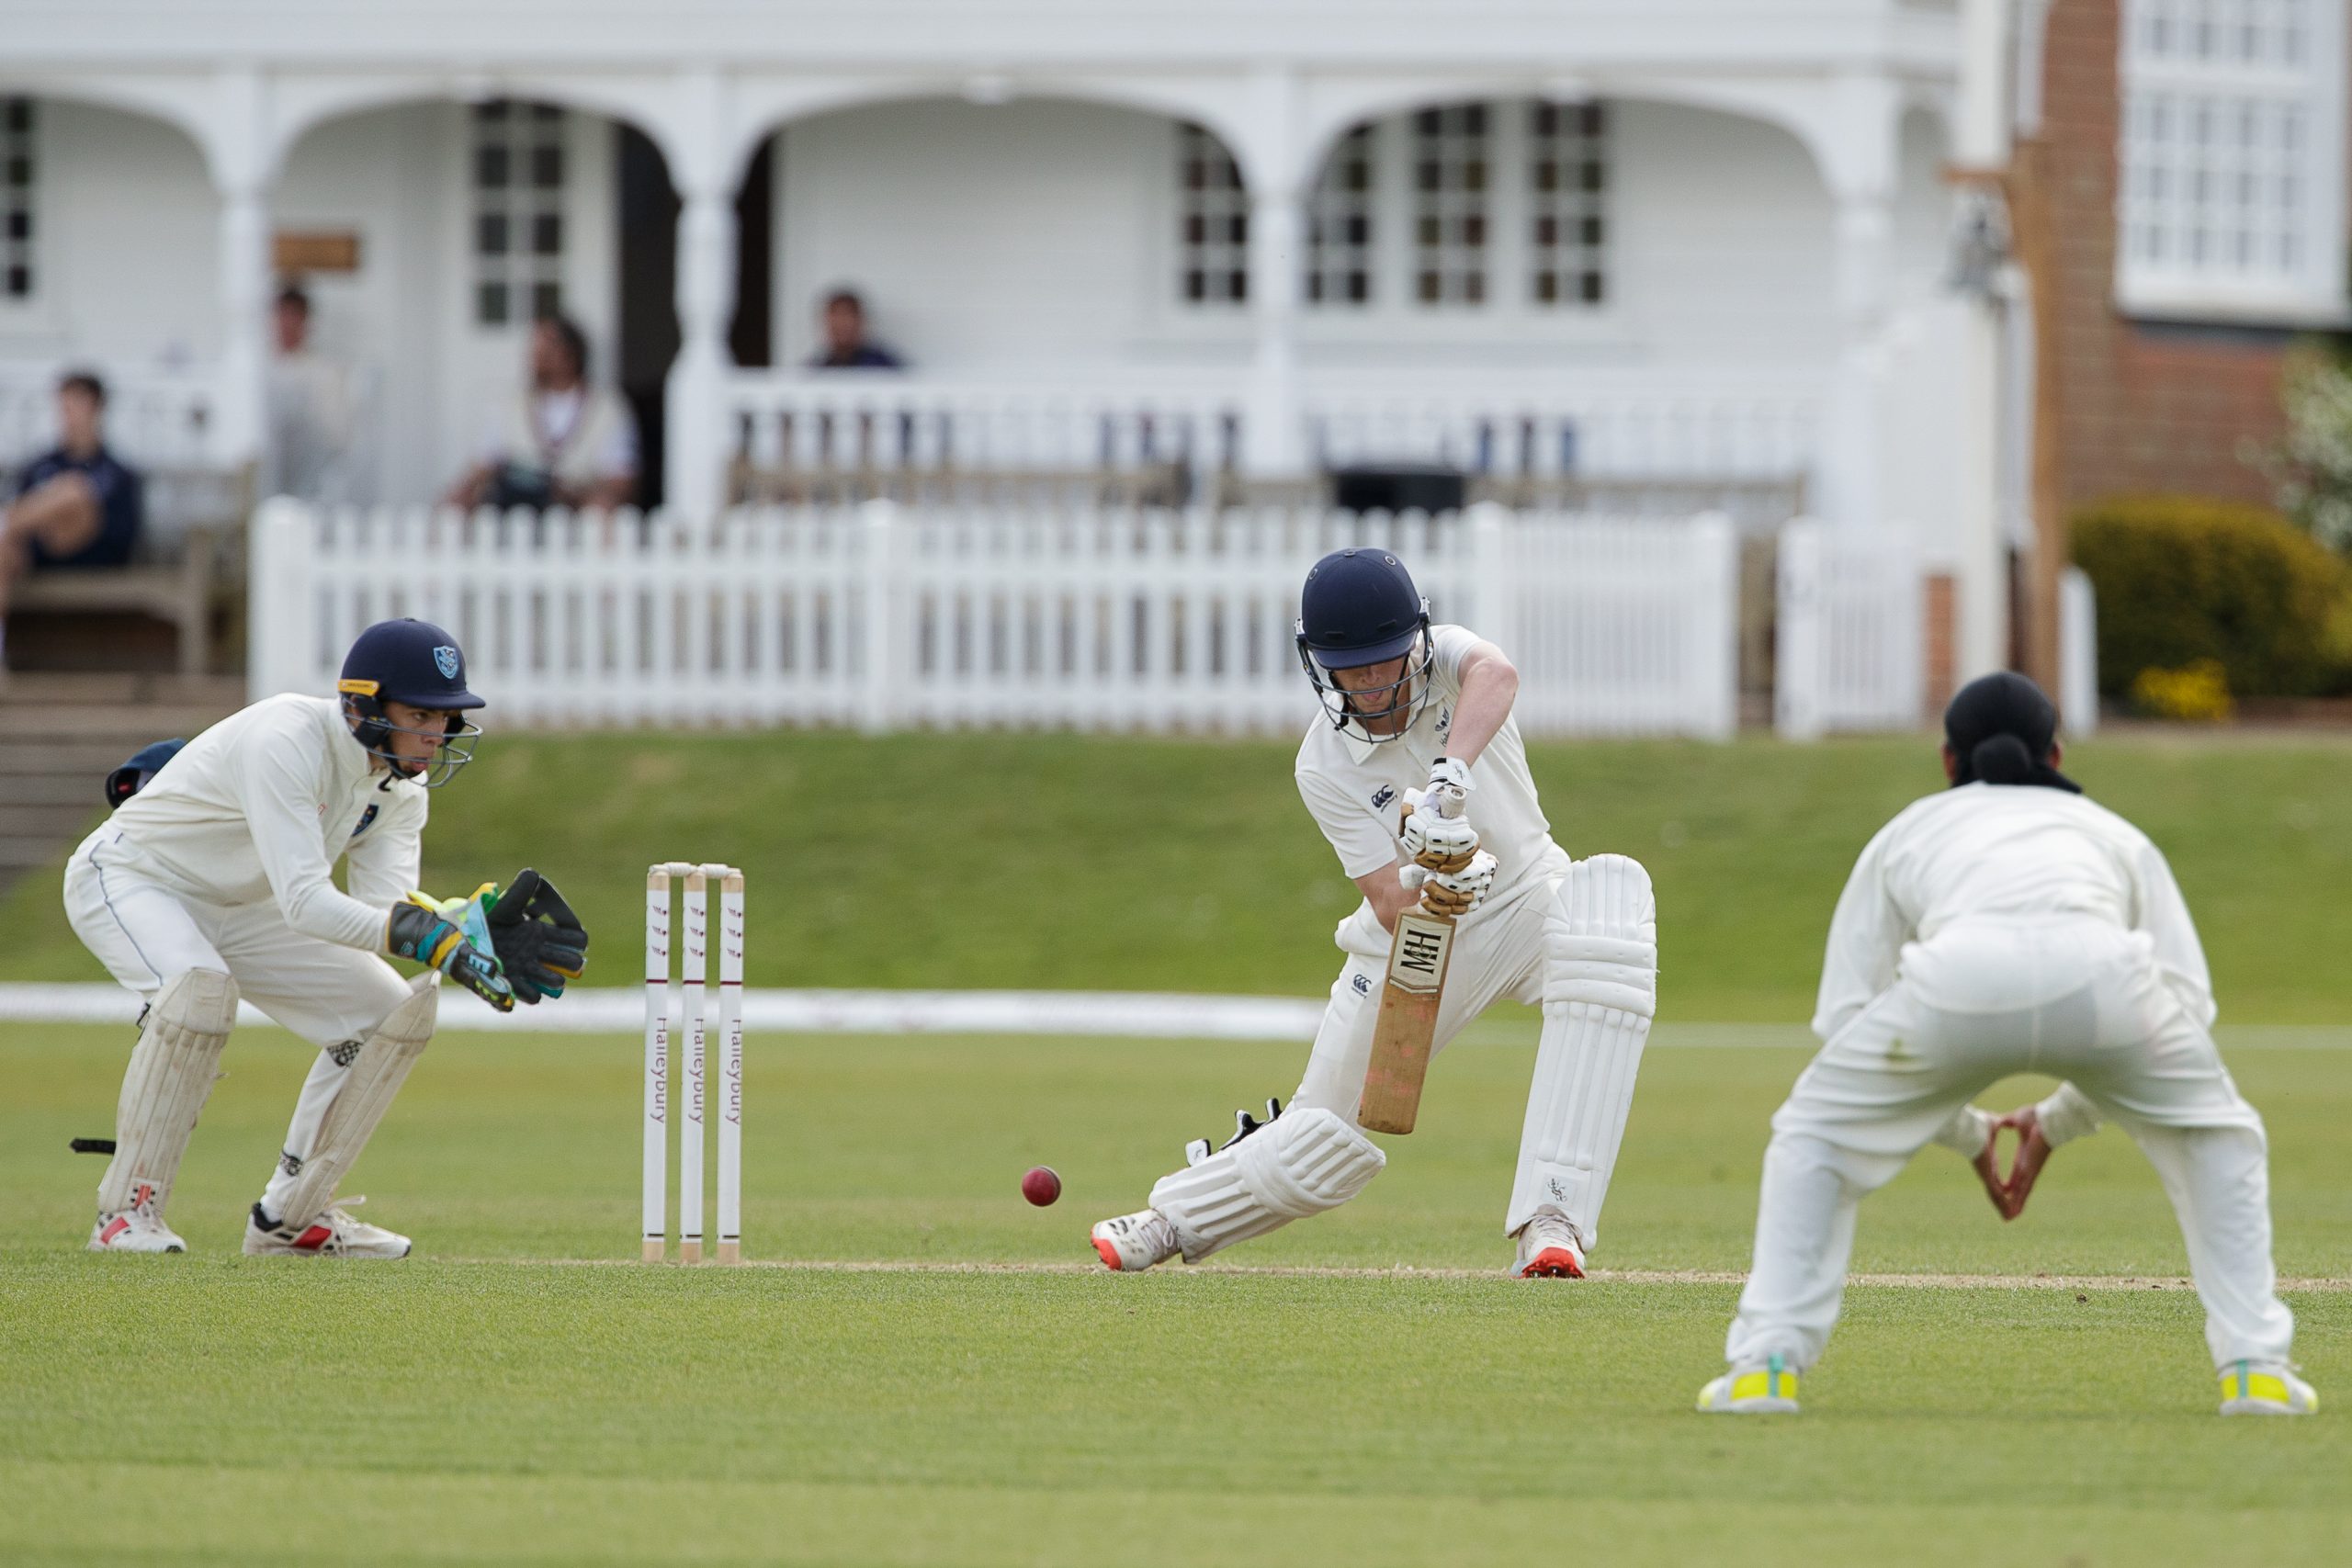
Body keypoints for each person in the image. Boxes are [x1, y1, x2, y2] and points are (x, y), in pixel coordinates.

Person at [1697, 672, 2315, 1417]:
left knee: (1812, 1135)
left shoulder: (1908, 829)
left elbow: (1848, 1020)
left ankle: (1764, 1370)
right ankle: (2256, 1374)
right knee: (2220, 1136)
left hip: (1958, 980)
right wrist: (2055, 1122)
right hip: (2104, 983)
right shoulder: (2116, 833)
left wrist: (1968, 1133)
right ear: (2055, 753)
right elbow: (2186, 1004)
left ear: (1947, 760)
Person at [1088, 548, 1658, 1278]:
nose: (1369, 684)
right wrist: (1445, 878)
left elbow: (1498, 674)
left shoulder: (1450, 660)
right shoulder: (1321, 764)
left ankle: (1554, 1220)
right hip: (1423, 942)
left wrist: (1451, 775)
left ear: (1415, 641)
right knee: (1323, 1134)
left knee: (1606, 929)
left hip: (1527, 895)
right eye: (1349, 670)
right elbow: (1391, 903)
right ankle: (1171, 1218)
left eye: (1383, 662)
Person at [64, 617, 590, 1258]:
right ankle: (125, 1213)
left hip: (246, 904)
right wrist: (423, 934)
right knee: (200, 993)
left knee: (389, 1011)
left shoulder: (401, 788)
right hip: (135, 875)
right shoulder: (286, 740)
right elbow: (306, 902)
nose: (436, 734)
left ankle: (291, 1218)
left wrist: (460, 927)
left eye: (445, 717)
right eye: (420, 715)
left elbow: (380, 913)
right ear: (362, 707)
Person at [1, 371, 143, 670]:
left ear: (97, 408)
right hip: (38, 555)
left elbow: (123, 532)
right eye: (63, 405)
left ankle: (3, 521)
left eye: (76, 404)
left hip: (95, 554)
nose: (67, 414)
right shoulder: (41, 465)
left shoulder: (116, 471)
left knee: (73, 490)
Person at [445, 315, 637, 511]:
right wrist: (462, 493)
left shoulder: (607, 408)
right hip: (514, 505)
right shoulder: (512, 403)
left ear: (571, 355)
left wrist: (575, 495)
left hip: (576, 511)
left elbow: (621, 479)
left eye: (547, 349)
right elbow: (485, 461)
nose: (536, 357)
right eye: (536, 349)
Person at [266, 282, 354, 502]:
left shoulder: (325, 373)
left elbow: (337, 436)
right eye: (282, 315)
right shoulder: (259, 371)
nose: (286, 324)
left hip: (310, 488)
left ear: (306, 322)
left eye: (294, 316)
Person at [808, 288, 903, 369]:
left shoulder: (884, 367)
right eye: (836, 317)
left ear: (861, 321)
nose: (841, 324)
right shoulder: (815, 369)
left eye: (847, 316)